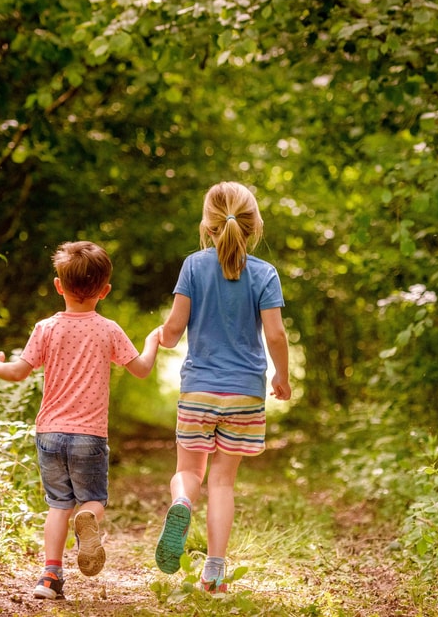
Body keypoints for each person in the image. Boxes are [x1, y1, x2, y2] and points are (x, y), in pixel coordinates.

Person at [0, 241, 160, 601]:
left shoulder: (46, 328)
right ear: (105, 291)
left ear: (58, 286)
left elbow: (17, 373)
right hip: (89, 436)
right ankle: (88, 517)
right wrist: (153, 340)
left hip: (49, 432)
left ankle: (49, 578)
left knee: (57, 505)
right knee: (92, 501)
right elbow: (141, 369)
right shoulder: (108, 329)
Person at [152, 181, 291, 595]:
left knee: (188, 472)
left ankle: (182, 503)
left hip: (199, 389)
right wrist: (281, 377)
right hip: (245, 393)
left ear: (207, 225)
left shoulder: (193, 267)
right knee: (223, 482)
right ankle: (213, 572)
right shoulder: (265, 273)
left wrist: (158, 335)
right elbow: (276, 335)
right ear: (254, 225)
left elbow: (173, 332)